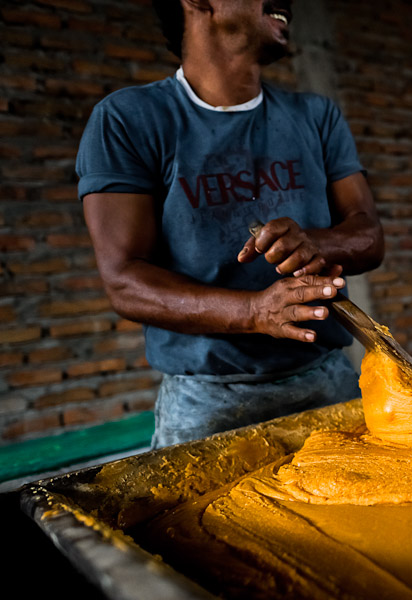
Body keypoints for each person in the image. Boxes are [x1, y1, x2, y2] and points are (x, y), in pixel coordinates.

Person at [75, 0, 384, 448]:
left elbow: (370, 236)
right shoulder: (128, 119)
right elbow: (124, 280)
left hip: (329, 382)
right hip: (208, 403)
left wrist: (316, 242)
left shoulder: (316, 116)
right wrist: (255, 313)